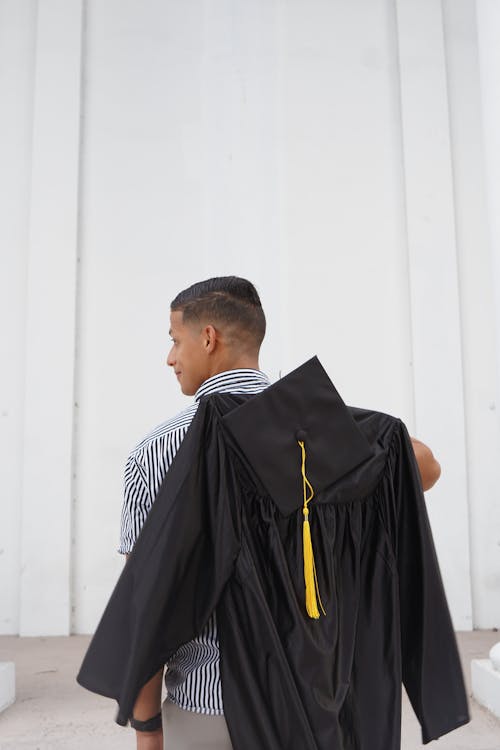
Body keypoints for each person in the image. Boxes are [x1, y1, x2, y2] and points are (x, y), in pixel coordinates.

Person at [115, 276, 442, 750]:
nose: (169, 357)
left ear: (208, 338)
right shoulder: (317, 434)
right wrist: (361, 437)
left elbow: (143, 611)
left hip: (210, 712)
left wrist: (147, 731)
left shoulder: (158, 451)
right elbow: (427, 467)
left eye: (174, 340)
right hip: (322, 709)